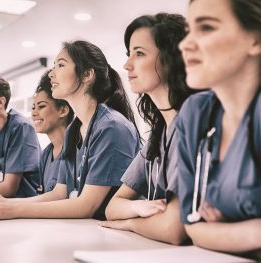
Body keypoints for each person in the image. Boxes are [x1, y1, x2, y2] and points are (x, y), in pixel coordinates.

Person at [0, 40, 141, 221]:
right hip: (84, 231)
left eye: (60, 65)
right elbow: (59, 193)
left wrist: (13, 211)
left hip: (112, 237)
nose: (52, 75)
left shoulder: (112, 127)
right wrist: (6, 203)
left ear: (86, 75)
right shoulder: (74, 129)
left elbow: (86, 206)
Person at [100, 13, 193, 245]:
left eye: (139, 54)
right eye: (129, 54)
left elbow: (173, 228)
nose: (127, 64)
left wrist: (130, 223)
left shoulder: (192, 125)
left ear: (172, 59)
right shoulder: (158, 135)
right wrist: (139, 206)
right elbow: (112, 207)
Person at [177, 0, 261, 257]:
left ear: (256, 40)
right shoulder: (196, 114)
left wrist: (225, 232)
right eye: (189, 29)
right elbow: (193, 227)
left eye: (206, 28)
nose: (184, 44)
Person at [33, 70, 73, 193]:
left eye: (41, 106)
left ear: (63, 111)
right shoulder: (46, 155)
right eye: (33, 107)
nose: (34, 113)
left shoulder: (75, 151)